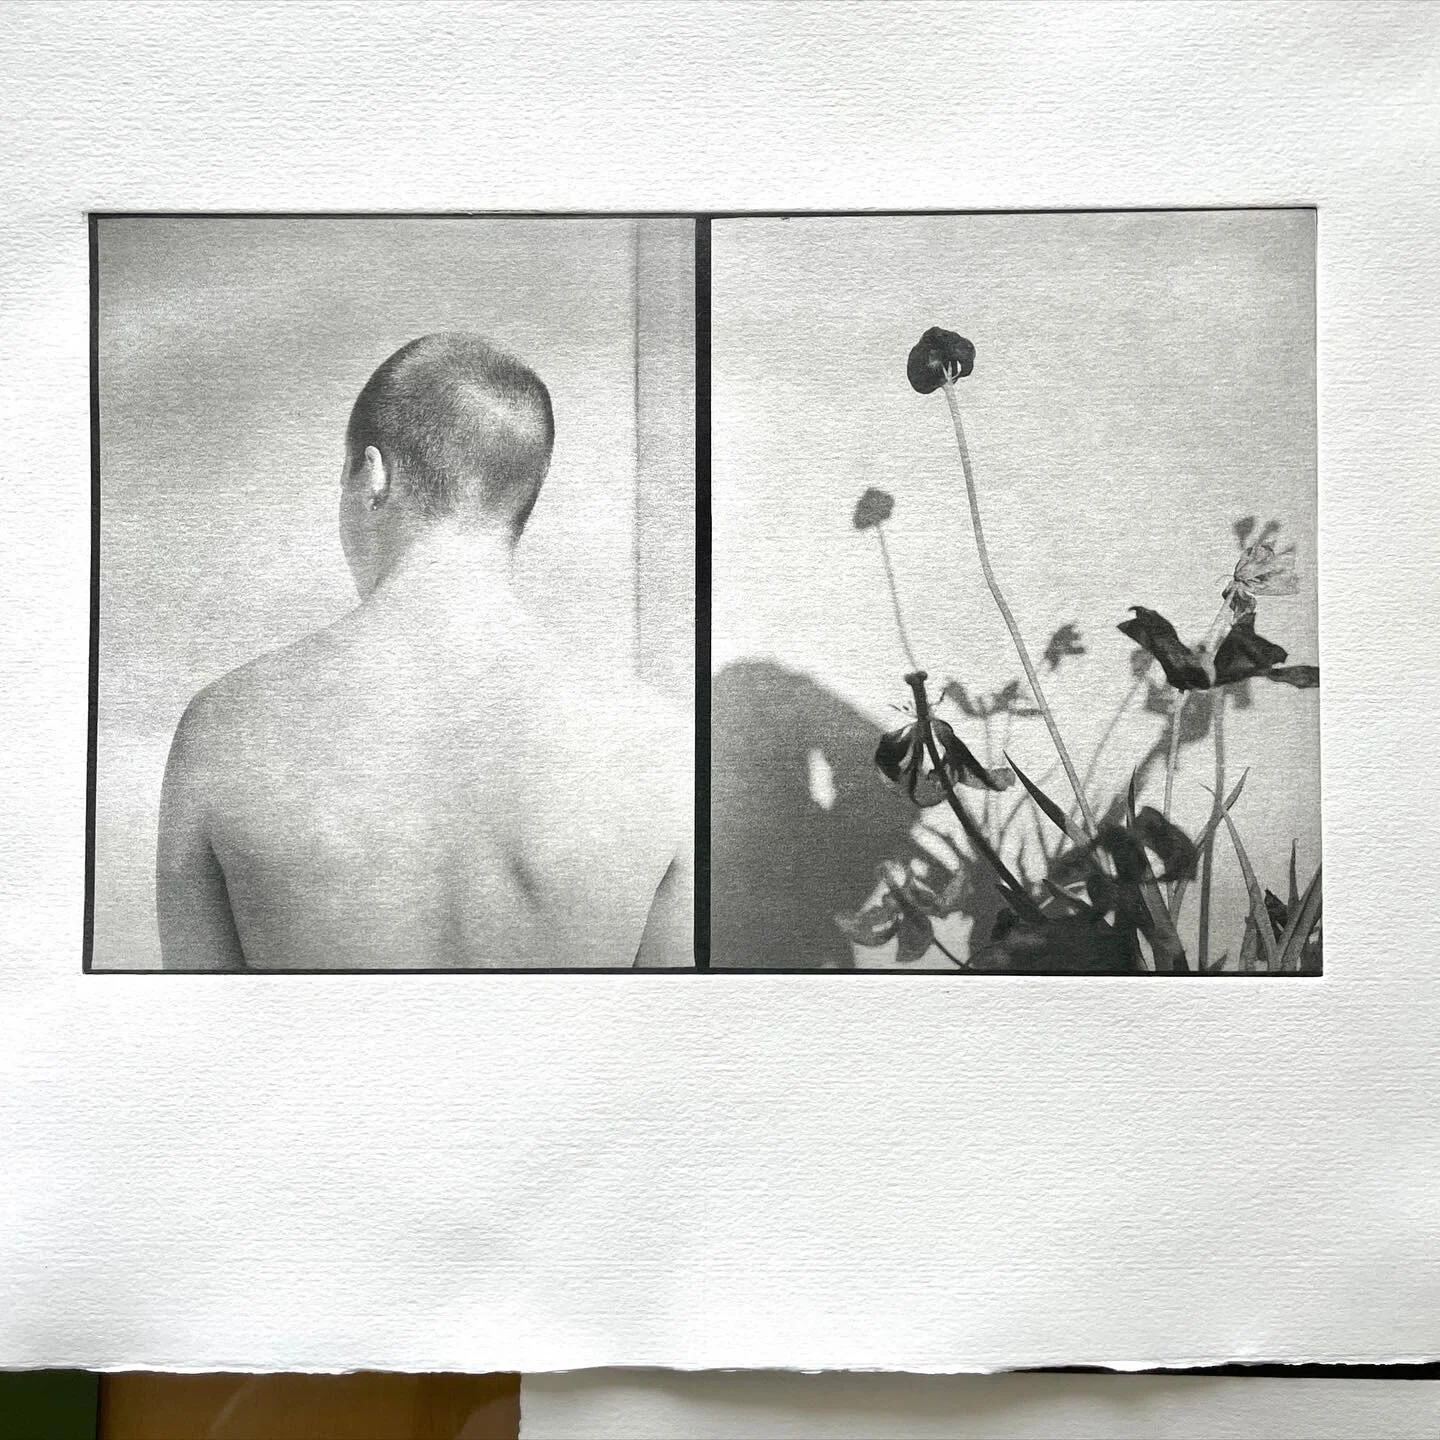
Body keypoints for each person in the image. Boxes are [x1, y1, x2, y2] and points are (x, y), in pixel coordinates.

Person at [156, 332, 692, 970]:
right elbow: (661, 1035)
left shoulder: (223, 727)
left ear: (371, 476)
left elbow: (199, 1030)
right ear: (520, 498)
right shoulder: (660, 745)